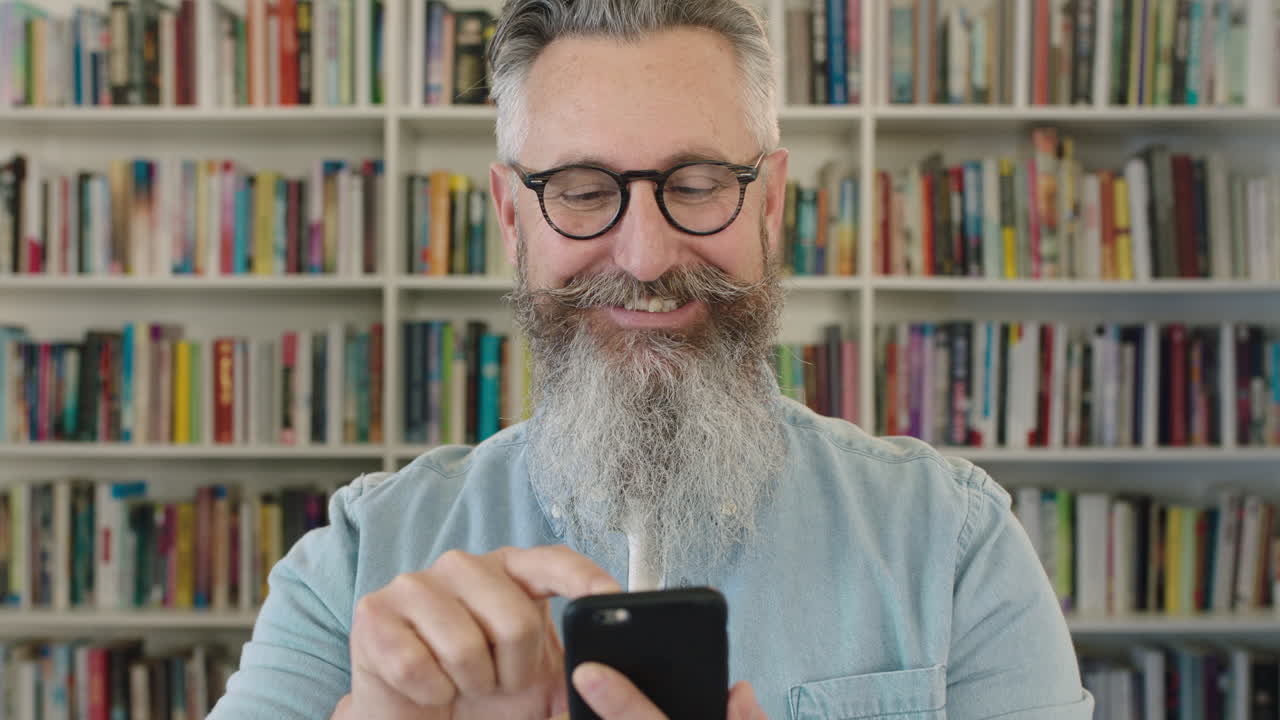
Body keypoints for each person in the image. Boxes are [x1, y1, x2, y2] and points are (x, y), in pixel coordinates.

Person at [209, 0, 1094, 718]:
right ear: (512, 218)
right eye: (582, 192)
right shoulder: (360, 564)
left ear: (771, 205)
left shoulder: (952, 543)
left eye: (698, 185)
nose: (644, 258)